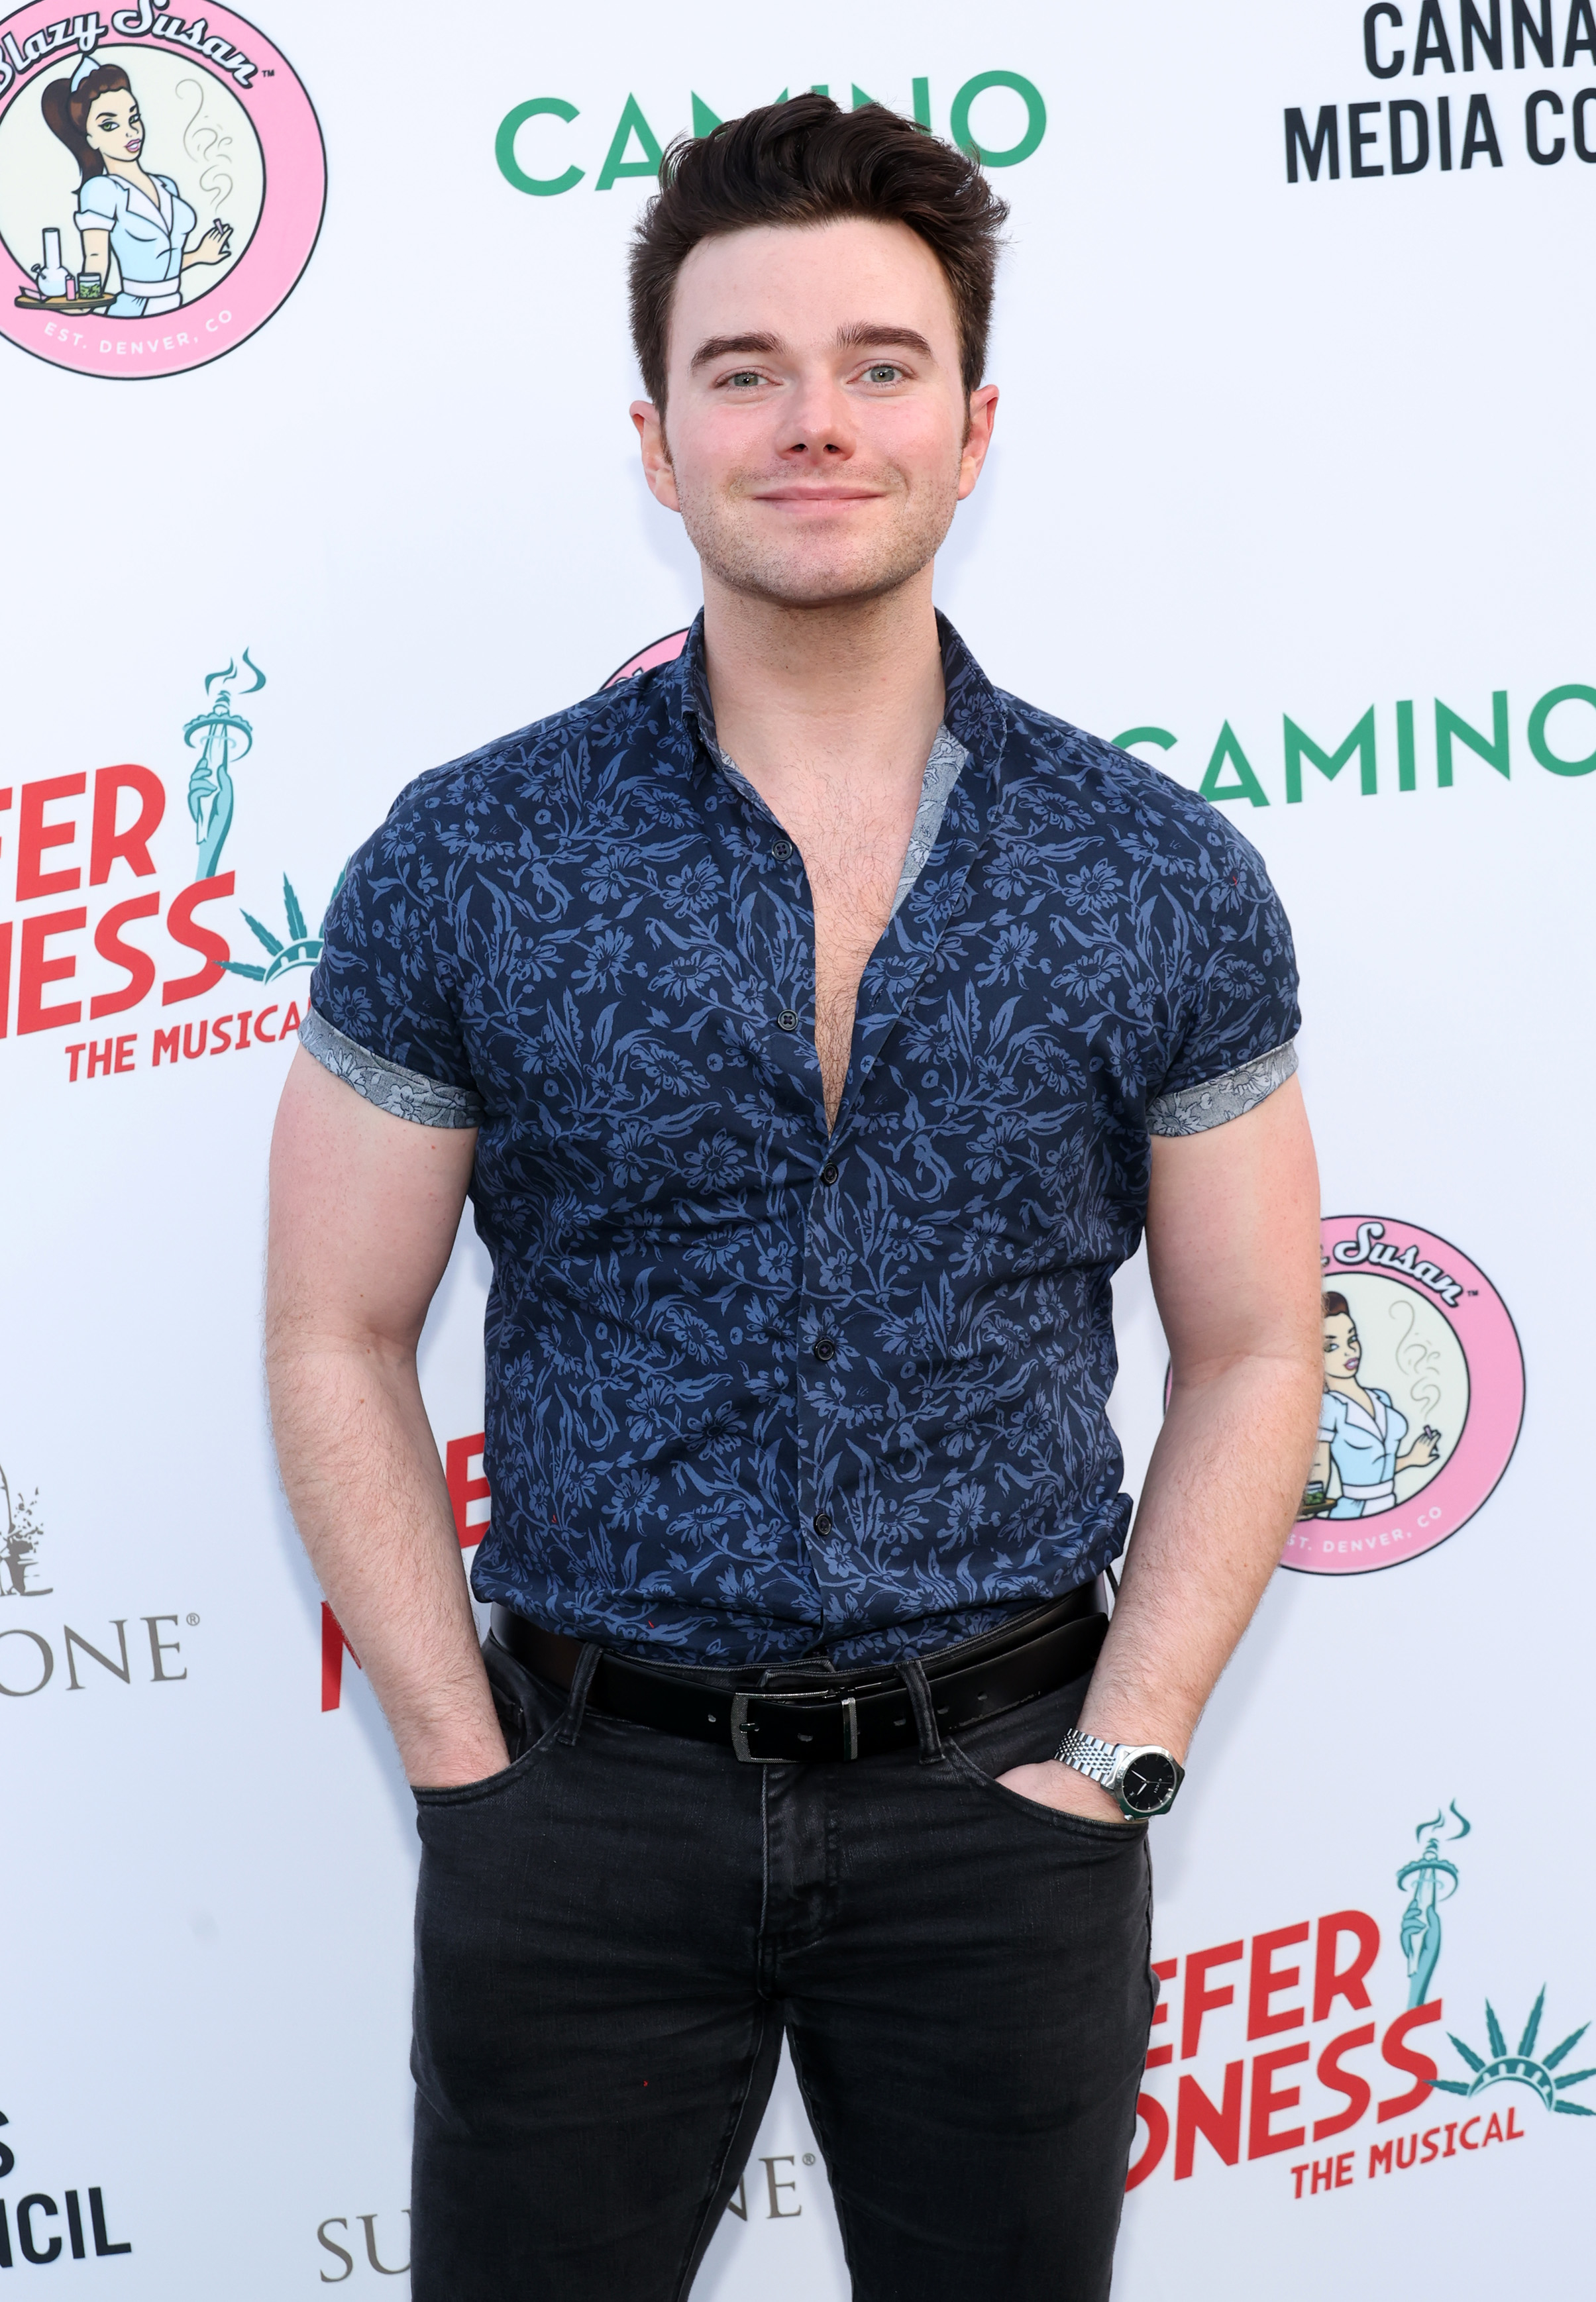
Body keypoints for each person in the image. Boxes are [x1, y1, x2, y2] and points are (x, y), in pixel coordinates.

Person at [266, 96, 1323, 2302]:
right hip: (578, 1804)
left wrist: (1119, 1762)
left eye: (876, 364)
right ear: (656, 443)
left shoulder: (1154, 873)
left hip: (1006, 1809)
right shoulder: (470, 857)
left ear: (971, 426)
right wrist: (465, 1768)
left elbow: (1249, 1346)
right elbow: (331, 1327)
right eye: (741, 371)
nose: (812, 421)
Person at [41, 56, 231, 319]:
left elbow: (160, 264)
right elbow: (96, 257)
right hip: (135, 310)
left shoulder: (166, 185)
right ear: (91, 138)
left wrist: (200, 255)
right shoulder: (101, 190)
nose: (131, 132)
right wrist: (82, 304)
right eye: (110, 125)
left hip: (175, 306)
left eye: (134, 118)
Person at [1310, 1290, 1440, 1518]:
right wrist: (1311, 1504)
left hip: (1390, 1505)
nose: (1350, 1351)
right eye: (1331, 1347)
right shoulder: (1330, 1406)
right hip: (1352, 1511)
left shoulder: (1381, 1398)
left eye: (1352, 1339)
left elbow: (1377, 1468)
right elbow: (1320, 1465)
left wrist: (1412, 1460)